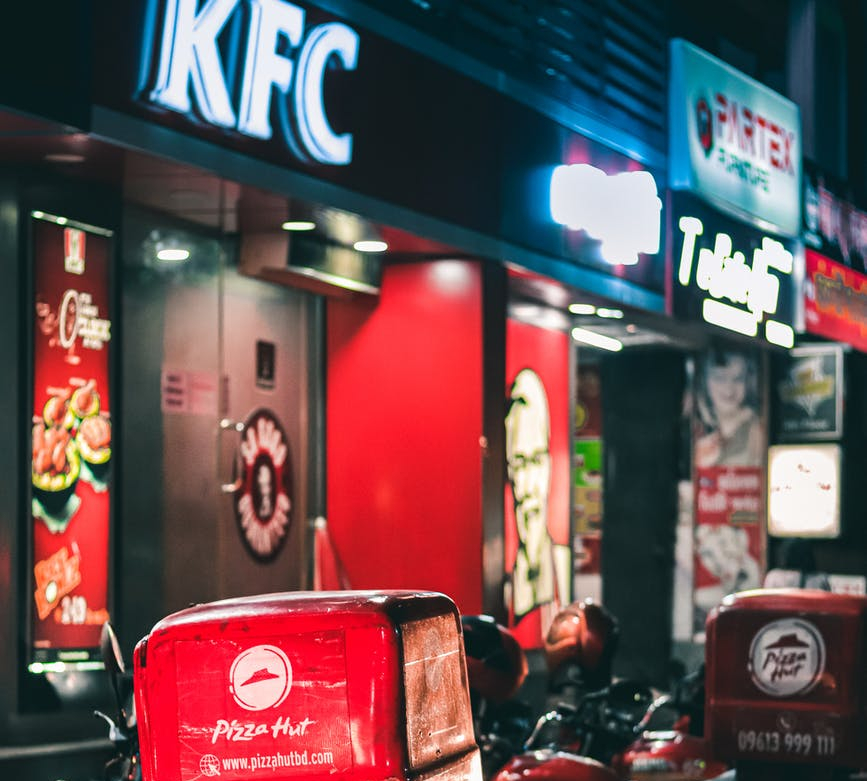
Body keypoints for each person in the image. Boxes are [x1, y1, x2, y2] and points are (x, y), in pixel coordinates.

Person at [504, 368, 570, 620]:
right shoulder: (507, 579)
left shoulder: (560, 568)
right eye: (517, 462)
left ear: (549, 466)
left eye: (534, 460)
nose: (526, 483)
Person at [694, 348, 763, 468]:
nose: (729, 389)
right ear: (704, 381)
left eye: (738, 379)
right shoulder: (698, 425)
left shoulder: (756, 429)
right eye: (719, 378)